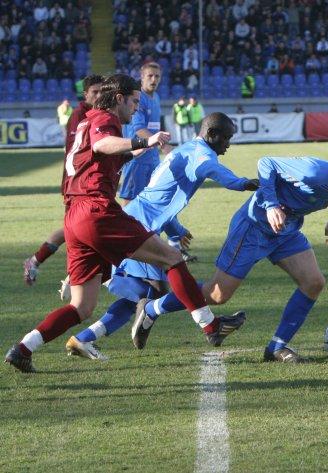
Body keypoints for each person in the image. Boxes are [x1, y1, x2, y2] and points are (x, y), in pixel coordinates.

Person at [4, 74, 228, 373]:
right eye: (134, 101)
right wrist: (143, 139)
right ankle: (210, 326)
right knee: (172, 258)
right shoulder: (104, 119)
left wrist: (140, 148)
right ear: (119, 97)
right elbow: (103, 144)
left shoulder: (88, 120)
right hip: (97, 211)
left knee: (82, 307)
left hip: (75, 216)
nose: (137, 107)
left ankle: (23, 348)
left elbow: (108, 152)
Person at [132, 146, 328, 363]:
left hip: (286, 231)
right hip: (254, 227)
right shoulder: (313, 171)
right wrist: (271, 205)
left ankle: (277, 347)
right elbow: (267, 163)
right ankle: (153, 308)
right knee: (216, 295)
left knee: (314, 282)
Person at [65, 112, 258, 360]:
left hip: (137, 217)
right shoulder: (202, 154)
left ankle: (83, 339)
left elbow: (162, 193)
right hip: (137, 224)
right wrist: (243, 183)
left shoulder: (185, 149)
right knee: (163, 288)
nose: (228, 144)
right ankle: (209, 323)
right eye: (226, 138)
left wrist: (175, 228)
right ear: (211, 134)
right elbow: (212, 170)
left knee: (143, 294)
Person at [23, 75, 104, 289]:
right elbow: (75, 154)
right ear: (85, 94)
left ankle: (46, 264)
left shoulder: (98, 115)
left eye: (101, 91)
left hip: (90, 185)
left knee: (77, 230)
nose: (98, 95)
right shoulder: (79, 115)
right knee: (77, 230)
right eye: (94, 92)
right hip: (76, 186)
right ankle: (68, 273)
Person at [120, 62, 172, 206]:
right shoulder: (137, 98)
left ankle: (145, 229)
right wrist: (163, 143)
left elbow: (153, 125)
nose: (153, 79)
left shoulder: (156, 97)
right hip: (137, 157)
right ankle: (124, 228)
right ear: (142, 77)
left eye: (157, 76)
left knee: (152, 199)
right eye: (150, 75)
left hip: (153, 157)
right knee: (131, 200)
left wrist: (162, 138)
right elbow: (139, 129)